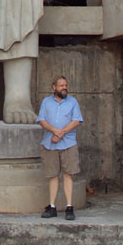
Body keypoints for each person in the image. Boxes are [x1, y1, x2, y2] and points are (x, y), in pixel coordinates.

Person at [37, 75, 83, 220]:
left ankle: (69, 207)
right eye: (61, 85)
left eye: (66, 85)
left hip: (68, 143)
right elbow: (42, 120)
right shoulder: (46, 102)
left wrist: (60, 133)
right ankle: (52, 206)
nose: (64, 88)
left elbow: (76, 120)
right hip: (49, 143)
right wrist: (54, 131)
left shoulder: (73, 102)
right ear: (54, 87)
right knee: (53, 175)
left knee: (68, 174)